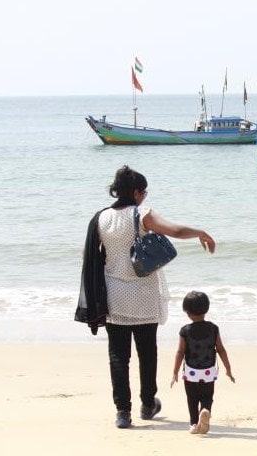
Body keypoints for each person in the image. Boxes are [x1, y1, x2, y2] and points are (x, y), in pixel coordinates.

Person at [79, 165, 216, 429]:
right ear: (136, 192)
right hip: (144, 294)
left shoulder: (101, 218)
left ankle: (122, 412)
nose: (145, 197)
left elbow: (90, 256)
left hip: (114, 295)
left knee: (118, 356)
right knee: (147, 352)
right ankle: (147, 402)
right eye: (144, 192)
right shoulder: (142, 214)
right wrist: (201, 232)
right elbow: (175, 231)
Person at [171, 291, 235, 434]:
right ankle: (205, 410)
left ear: (187, 313)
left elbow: (180, 352)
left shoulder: (185, 331)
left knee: (192, 399)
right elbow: (221, 350)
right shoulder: (213, 328)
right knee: (207, 396)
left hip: (191, 373)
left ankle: (194, 424)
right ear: (206, 309)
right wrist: (228, 369)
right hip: (208, 372)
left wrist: (175, 372)